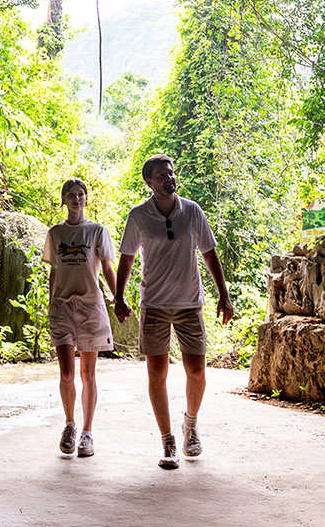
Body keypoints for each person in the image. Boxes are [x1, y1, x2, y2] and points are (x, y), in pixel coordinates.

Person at [111, 153, 234, 469]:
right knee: (157, 374)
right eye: (162, 174)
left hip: (189, 304)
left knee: (196, 372)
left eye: (171, 172)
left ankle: (190, 424)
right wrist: (119, 296)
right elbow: (126, 258)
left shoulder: (191, 211)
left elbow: (209, 253)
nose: (169, 177)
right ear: (149, 181)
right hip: (154, 304)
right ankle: (167, 441)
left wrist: (224, 295)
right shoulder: (138, 216)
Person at [44, 177, 116, 458]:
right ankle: (69, 425)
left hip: (90, 308)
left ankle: (87, 432)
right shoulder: (55, 233)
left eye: (80, 194)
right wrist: (51, 304)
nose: (76, 198)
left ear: (86, 199)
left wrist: (118, 297)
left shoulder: (97, 231)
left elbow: (108, 268)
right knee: (66, 373)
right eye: (71, 194)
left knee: (88, 373)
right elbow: (54, 272)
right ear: (63, 199)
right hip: (62, 308)